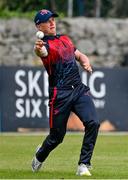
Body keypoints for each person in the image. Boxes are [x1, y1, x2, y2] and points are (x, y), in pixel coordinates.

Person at [32, 9, 100, 176]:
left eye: (53, 19)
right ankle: (40, 156)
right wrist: (38, 49)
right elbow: (41, 52)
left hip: (77, 89)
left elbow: (79, 55)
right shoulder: (44, 45)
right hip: (60, 94)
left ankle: (83, 164)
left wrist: (85, 62)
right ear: (39, 26)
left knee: (93, 123)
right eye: (47, 20)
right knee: (57, 137)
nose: (52, 22)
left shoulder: (65, 39)